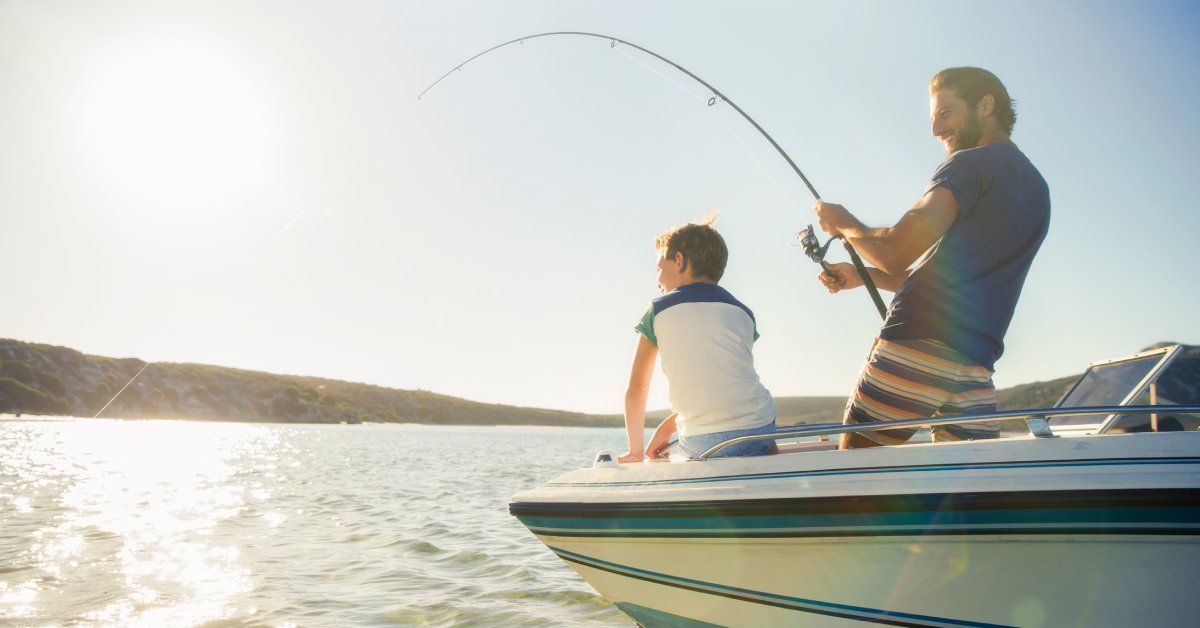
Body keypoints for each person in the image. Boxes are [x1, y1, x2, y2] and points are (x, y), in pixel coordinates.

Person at [813, 67, 1050, 449]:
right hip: (975, 365)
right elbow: (957, 277)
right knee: (965, 494)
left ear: (986, 105)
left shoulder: (969, 165)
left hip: (917, 344)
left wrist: (843, 224)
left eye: (946, 113)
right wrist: (862, 276)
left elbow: (894, 251)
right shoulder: (1037, 189)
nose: (936, 130)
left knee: (856, 480)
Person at [617, 215, 776, 463]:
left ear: (679, 260)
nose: (658, 279)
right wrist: (668, 425)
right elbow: (724, 384)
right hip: (761, 429)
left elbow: (637, 389)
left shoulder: (658, 311)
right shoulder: (744, 312)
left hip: (703, 441)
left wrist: (636, 452)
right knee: (760, 432)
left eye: (659, 268)